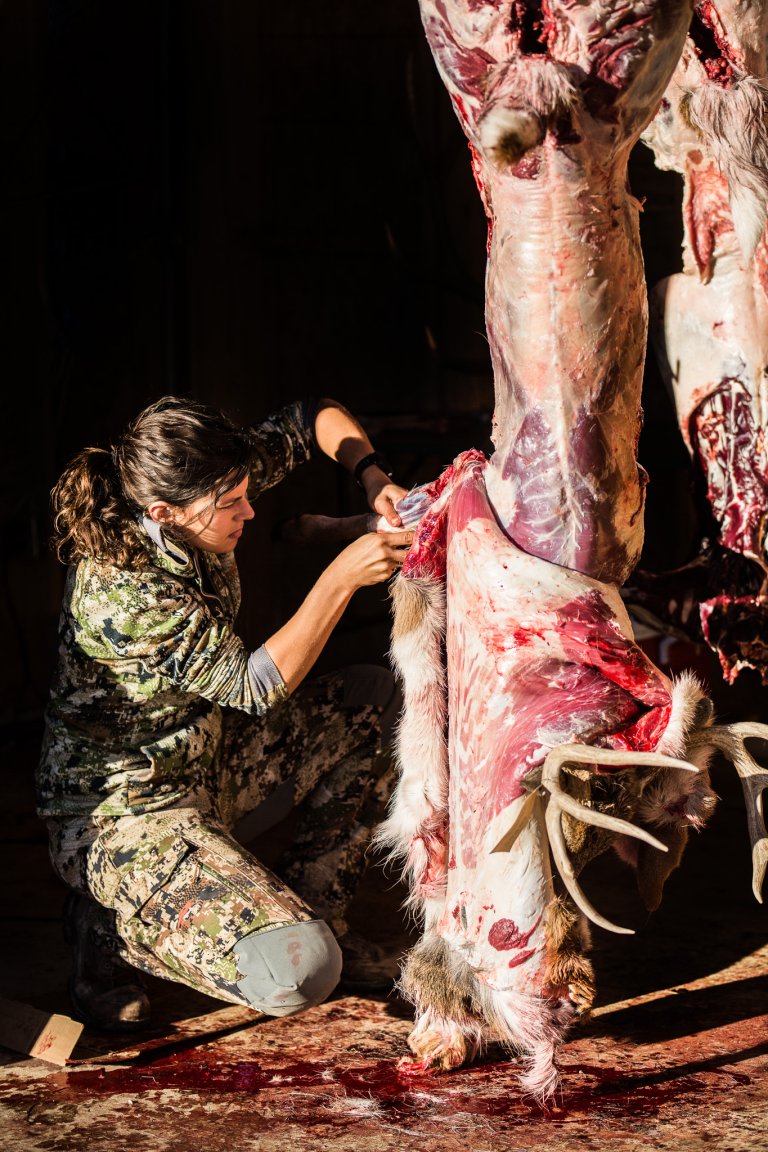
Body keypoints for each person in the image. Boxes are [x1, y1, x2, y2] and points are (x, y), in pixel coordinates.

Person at [36, 395, 413, 1032]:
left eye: (244, 491)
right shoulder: (124, 590)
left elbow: (313, 414)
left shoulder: (201, 482)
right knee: (300, 970)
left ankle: (321, 908)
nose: (250, 509)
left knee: (369, 701)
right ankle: (107, 929)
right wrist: (340, 578)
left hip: (209, 764)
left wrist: (373, 478)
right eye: (231, 504)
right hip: (128, 818)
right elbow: (252, 685)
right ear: (165, 515)